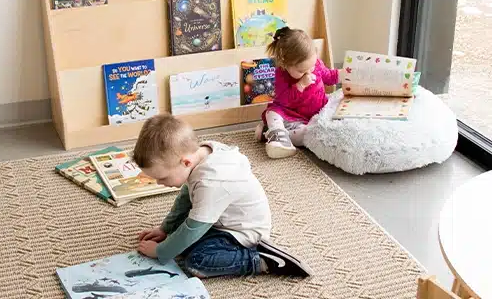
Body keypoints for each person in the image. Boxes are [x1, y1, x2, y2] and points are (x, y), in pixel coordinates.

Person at [133, 114, 312, 278]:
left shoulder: (211, 181)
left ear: (186, 162)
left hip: (242, 233)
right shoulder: (203, 153)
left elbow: (193, 228)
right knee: (181, 242)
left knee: (197, 262)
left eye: (162, 178)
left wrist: (161, 251)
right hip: (221, 220)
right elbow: (185, 199)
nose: (159, 183)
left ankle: (263, 260)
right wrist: (165, 229)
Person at [256, 27, 343, 159]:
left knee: (310, 133)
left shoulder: (316, 64)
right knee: (272, 113)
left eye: (312, 66)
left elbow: (330, 77)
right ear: (285, 64)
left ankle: (272, 134)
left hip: (313, 115)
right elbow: (284, 99)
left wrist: (344, 74)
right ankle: (278, 137)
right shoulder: (282, 74)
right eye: (302, 71)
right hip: (291, 114)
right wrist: (300, 85)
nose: (309, 72)